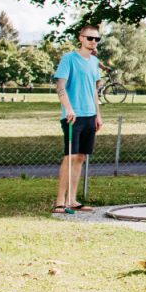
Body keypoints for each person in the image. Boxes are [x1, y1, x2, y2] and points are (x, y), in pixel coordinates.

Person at [52, 25, 102, 214]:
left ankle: (72, 200)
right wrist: (69, 108)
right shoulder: (69, 59)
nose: (93, 42)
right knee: (70, 157)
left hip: (90, 115)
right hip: (73, 116)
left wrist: (98, 114)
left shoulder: (94, 62)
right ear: (81, 38)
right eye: (90, 38)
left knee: (80, 157)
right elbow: (61, 87)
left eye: (97, 39)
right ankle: (60, 202)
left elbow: (94, 90)